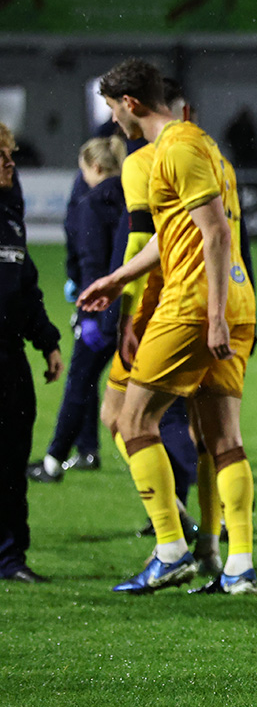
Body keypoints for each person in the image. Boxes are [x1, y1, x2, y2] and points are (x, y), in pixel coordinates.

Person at [78, 58, 257, 595]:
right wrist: (118, 278)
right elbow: (171, 235)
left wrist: (214, 316)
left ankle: (170, 548)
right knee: (222, 438)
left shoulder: (172, 150)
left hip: (193, 305)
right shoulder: (202, 148)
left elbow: (216, 234)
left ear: (131, 104)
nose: (113, 124)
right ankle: (236, 564)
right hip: (229, 301)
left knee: (130, 421)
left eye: (113, 111)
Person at [27, 136, 126, 485]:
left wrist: (90, 312)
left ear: (95, 168)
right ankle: (181, 465)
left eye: (84, 171)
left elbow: (92, 263)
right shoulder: (134, 199)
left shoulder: (91, 203)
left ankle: (54, 461)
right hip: (134, 312)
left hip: (99, 311)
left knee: (79, 383)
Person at [0, 121, 64, 583]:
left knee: (11, 458)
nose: (10, 164)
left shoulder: (9, 216)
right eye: (1, 158)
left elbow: (25, 286)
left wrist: (47, 341)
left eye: (10, 156)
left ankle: (10, 558)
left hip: (9, 357)